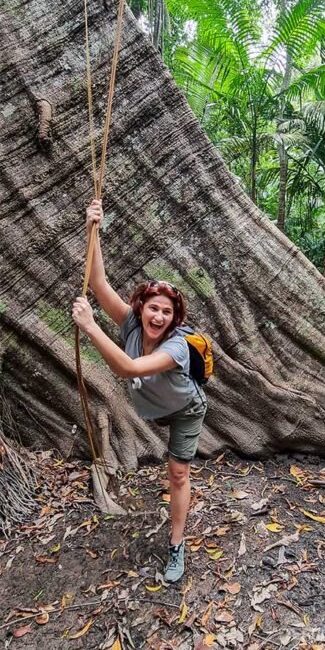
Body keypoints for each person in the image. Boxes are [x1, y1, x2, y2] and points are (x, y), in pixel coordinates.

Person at [72, 200, 207, 583]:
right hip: (150, 409)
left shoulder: (177, 346)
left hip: (184, 409)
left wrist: (91, 328)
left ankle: (176, 546)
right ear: (141, 308)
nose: (158, 317)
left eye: (166, 312)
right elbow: (98, 285)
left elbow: (128, 368)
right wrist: (92, 229)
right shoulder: (131, 323)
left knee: (178, 474)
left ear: (173, 319)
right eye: (153, 308)